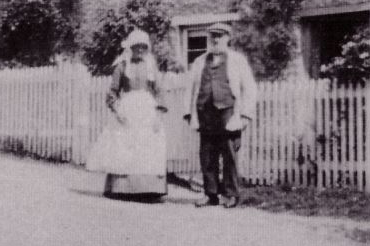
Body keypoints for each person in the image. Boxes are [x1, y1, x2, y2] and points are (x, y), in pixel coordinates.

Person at [86, 29, 168, 199]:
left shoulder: (151, 66)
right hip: (128, 109)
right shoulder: (122, 66)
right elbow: (112, 92)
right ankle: (122, 188)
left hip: (147, 109)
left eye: (143, 47)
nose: (139, 50)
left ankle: (150, 190)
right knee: (124, 146)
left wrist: (158, 115)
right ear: (130, 47)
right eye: (136, 46)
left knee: (148, 147)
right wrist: (117, 110)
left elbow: (159, 91)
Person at [183, 22, 256, 208]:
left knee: (229, 154)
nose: (215, 39)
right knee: (207, 155)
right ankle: (211, 194)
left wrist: (245, 115)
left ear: (227, 38)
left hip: (228, 112)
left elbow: (249, 88)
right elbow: (190, 88)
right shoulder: (200, 61)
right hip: (205, 112)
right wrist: (188, 113)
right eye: (212, 36)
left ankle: (231, 194)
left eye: (220, 36)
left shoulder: (237, 60)